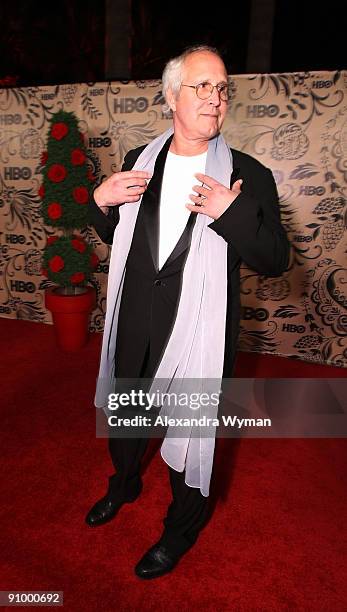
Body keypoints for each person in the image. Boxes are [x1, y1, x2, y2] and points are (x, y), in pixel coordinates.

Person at [87, 45, 290, 579]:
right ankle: (124, 483)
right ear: (172, 96)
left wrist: (233, 212)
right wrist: (100, 201)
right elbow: (120, 237)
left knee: (191, 434)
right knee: (127, 418)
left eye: (222, 88)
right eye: (203, 86)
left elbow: (274, 259)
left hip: (199, 328)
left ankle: (180, 529)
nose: (215, 97)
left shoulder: (249, 173)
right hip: (134, 318)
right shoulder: (140, 160)